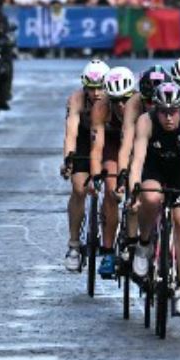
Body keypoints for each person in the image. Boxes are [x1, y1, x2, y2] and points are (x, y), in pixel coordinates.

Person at [126, 82, 180, 317]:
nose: (169, 117)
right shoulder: (146, 121)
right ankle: (143, 244)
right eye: (163, 112)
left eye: (173, 111)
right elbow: (137, 162)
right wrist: (134, 192)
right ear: (155, 110)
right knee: (150, 198)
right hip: (155, 167)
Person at [89, 67, 138, 280]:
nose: (120, 105)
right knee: (110, 191)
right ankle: (108, 251)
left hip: (138, 147)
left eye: (124, 99)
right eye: (115, 100)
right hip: (112, 146)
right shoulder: (101, 108)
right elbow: (97, 148)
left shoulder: (141, 104)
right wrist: (94, 176)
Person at [60, 60, 108, 270]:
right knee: (79, 188)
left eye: (101, 88)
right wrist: (68, 159)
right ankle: (74, 244)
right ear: (84, 86)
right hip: (83, 140)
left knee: (113, 189)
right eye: (92, 88)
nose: (96, 93)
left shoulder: (114, 98)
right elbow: (71, 133)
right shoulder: (76, 99)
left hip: (107, 140)